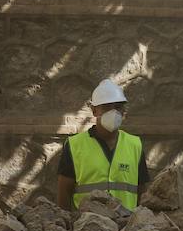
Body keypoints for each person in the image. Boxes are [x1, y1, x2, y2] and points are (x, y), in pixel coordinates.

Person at [56, 79, 150, 210]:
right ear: (94, 111)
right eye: (106, 107)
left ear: (124, 111)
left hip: (125, 226)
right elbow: (64, 193)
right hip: (87, 226)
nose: (113, 112)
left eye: (118, 107)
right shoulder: (74, 145)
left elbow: (142, 192)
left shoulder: (135, 145)